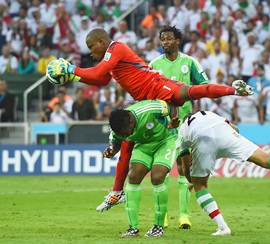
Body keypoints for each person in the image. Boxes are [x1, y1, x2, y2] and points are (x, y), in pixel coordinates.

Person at [47, 27, 253, 206]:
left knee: (194, 91)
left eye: (92, 47)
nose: (91, 53)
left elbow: (98, 71)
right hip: (147, 101)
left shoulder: (116, 48)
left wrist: (73, 69)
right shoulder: (111, 59)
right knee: (128, 141)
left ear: (102, 42)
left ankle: (233, 90)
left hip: (158, 87)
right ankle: (117, 192)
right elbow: (101, 79)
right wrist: (74, 75)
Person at [96, 26, 208, 229]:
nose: (165, 42)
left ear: (177, 41)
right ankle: (162, 218)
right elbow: (145, 89)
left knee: (185, 168)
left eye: (168, 39)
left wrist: (196, 112)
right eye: (162, 39)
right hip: (160, 124)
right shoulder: (154, 64)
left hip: (185, 121)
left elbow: (201, 87)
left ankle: (184, 216)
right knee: (160, 172)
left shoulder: (190, 62)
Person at [177, 111, 270, 236]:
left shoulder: (183, 129)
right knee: (266, 159)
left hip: (202, 140)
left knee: (200, 186)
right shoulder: (210, 114)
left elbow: (184, 166)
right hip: (225, 132)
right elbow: (235, 128)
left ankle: (223, 228)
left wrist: (192, 179)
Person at [104, 100, 178, 237]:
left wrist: (174, 119)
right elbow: (116, 144)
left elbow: (172, 104)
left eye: (125, 133)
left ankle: (158, 227)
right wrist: (111, 151)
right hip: (144, 146)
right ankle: (133, 228)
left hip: (165, 141)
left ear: (131, 121)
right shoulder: (119, 127)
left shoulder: (150, 109)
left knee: (157, 177)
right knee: (133, 177)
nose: (125, 136)